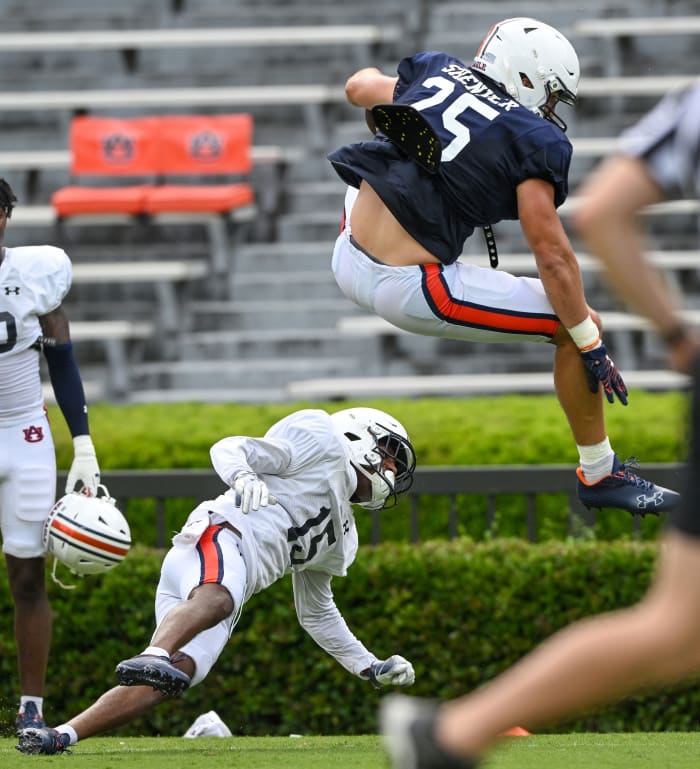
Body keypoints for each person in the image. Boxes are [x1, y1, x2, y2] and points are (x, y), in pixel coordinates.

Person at [378, 84, 700, 769]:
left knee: (677, 631)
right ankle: (453, 732)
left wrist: (677, 338)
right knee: (679, 630)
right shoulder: (529, 138)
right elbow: (568, 237)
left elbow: (605, 211)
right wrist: (593, 340)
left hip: (378, 256)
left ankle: (452, 735)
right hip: (405, 269)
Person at [327, 17, 679, 517]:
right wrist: (589, 342)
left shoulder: (437, 69)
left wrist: (397, 111)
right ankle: (600, 473)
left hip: (348, 247)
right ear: (529, 77)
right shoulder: (532, 138)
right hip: (409, 283)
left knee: (390, 160)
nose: (552, 112)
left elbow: (358, 86)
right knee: (577, 324)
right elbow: (552, 254)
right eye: (552, 97)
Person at [17, 406, 418, 754]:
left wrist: (369, 665)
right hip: (219, 537)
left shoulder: (344, 535)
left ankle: (59, 735)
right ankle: (153, 653)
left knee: (179, 673)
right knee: (212, 606)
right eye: (391, 457)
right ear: (359, 436)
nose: (393, 471)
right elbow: (230, 448)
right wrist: (243, 477)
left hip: (218, 590)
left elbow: (316, 611)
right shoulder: (322, 441)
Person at [0, 178, 101, 734]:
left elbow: (61, 354)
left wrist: (82, 442)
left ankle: (30, 707)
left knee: (27, 577)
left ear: (6, 215)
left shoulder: (35, 272)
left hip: (23, 434)